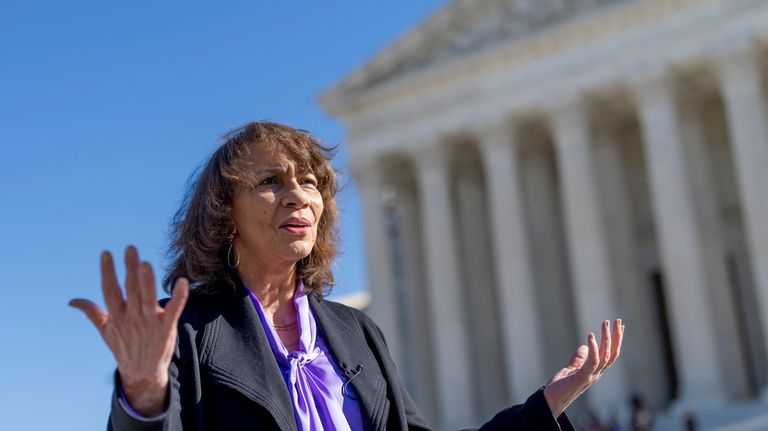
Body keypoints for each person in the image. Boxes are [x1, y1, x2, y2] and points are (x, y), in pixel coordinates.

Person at [70, 121, 625, 431]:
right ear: (224, 211)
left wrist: (543, 409)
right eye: (270, 181)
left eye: (311, 181)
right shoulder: (188, 329)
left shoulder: (354, 332)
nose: (298, 196)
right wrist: (144, 398)